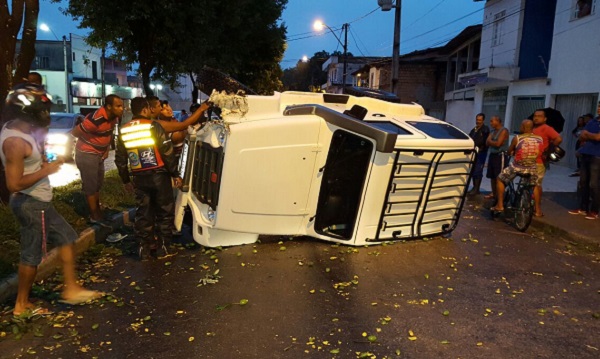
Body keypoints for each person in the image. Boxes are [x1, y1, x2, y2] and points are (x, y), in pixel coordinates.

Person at [0, 83, 103, 316]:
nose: (46, 114)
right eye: (42, 109)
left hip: (39, 201)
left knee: (67, 238)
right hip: (30, 204)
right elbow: (13, 183)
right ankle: (21, 305)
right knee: (31, 255)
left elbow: (32, 156)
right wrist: (47, 170)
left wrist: (44, 159)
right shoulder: (15, 142)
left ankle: (71, 289)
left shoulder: (19, 128)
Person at [115, 97, 183, 259]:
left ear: (133, 110)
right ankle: (163, 247)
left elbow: (120, 159)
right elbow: (166, 151)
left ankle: (143, 248)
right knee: (164, 212)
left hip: (139, 177)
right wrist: (175, 174)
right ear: (145, 109)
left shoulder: (124, 130)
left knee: (143, 213)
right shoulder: (153, 126)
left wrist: (126, 180)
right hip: (159, 175)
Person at [71, 95, 124, 225]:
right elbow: (75, 132)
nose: (122, 109)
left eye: (122, 106)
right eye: (118, 106)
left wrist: (105, 149)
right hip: (86, 153)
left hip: (98, 154)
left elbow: (109, 132)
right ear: (109, 106)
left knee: (97, 183)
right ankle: (94, 215)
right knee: (91, 186)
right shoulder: (95, 120)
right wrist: (92, 143)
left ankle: (98, 210)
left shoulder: (114, 117)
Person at [491, 119, 542, 212]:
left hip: (518, 167)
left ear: (523, 127)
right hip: (532, 168)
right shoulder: (539, 139)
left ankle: (500, 205)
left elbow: (510, 150)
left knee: (500, 178)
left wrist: (511, 152)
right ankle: (538, 210)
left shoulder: (517, 138)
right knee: (534, 185)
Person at [568, 102, 600, 220]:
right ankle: (583, 208)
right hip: (586, 153)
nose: (599, 109)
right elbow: (581, 136)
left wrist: (588, 134)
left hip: (597, 156)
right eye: (598, 106)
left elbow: (598, 137)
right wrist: (589, 135)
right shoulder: (593, 121)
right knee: (583, 182)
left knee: (594, 184)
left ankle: (594, 210)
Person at [532, 108, 563, 217]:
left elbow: (558, 139)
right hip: (528, 160)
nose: (536, 118)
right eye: (535, 115)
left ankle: (538, 208)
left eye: (539, 116)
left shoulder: (547, 128)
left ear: (545, 119)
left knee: (537, 184)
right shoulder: (531, 128)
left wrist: (549, 149)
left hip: (540, 161)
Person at [485, 116, 509, 201]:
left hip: (500, 155)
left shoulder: (503, 130)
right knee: (492, 176)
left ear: (498, 121)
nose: (491, 123)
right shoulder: (492, 131)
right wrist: (492, 142)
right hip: (492, 155)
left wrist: (491, 142)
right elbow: (487, 142)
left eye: (492, 121)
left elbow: (498, 143)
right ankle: (494, 193)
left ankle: (500, 196)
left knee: (499, 177)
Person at [468, 113, 490, 195]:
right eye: (477, 120)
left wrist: (476, 144)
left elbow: (483, 141)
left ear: (483, 120)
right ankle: (474, 187)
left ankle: (476, 189)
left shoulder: (485, 129)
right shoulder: (474, 129)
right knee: (473, 170)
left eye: (480, 120)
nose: (478, 121)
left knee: (478, 170)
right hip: (474, 153)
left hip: (481, 153)